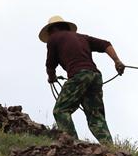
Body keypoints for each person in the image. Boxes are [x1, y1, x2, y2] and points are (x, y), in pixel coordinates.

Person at [39, 15, 124, 144]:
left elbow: (50, 64)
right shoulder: (82, 37)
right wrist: (117, 61)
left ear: (52, 29)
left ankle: (71, 143)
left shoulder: (54, 39)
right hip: (95, 76)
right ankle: (110, 147)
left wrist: (51, 78)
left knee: (61, 110)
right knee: (95, 116)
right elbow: (106, 44)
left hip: (78, 75)